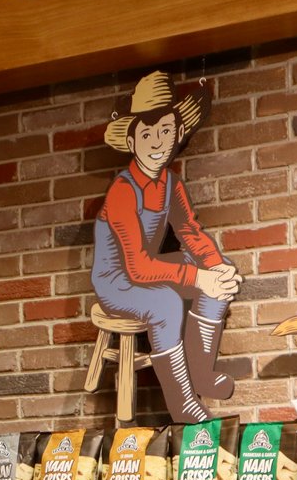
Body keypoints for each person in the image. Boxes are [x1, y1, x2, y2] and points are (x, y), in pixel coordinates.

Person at [92, 71, 241, 423]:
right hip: (116, 280)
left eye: (164, 130)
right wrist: (197, 278)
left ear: (177, 133)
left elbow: (189, 229)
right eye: (146, 133)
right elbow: (137, 267)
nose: (157, 141)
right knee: (165, 303)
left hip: (146, 269)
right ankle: (183, 403)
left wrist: (217, 268)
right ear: (132, 142)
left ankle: (201, 374)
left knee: (211, 277)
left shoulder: (170, 183)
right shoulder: (123, 190)